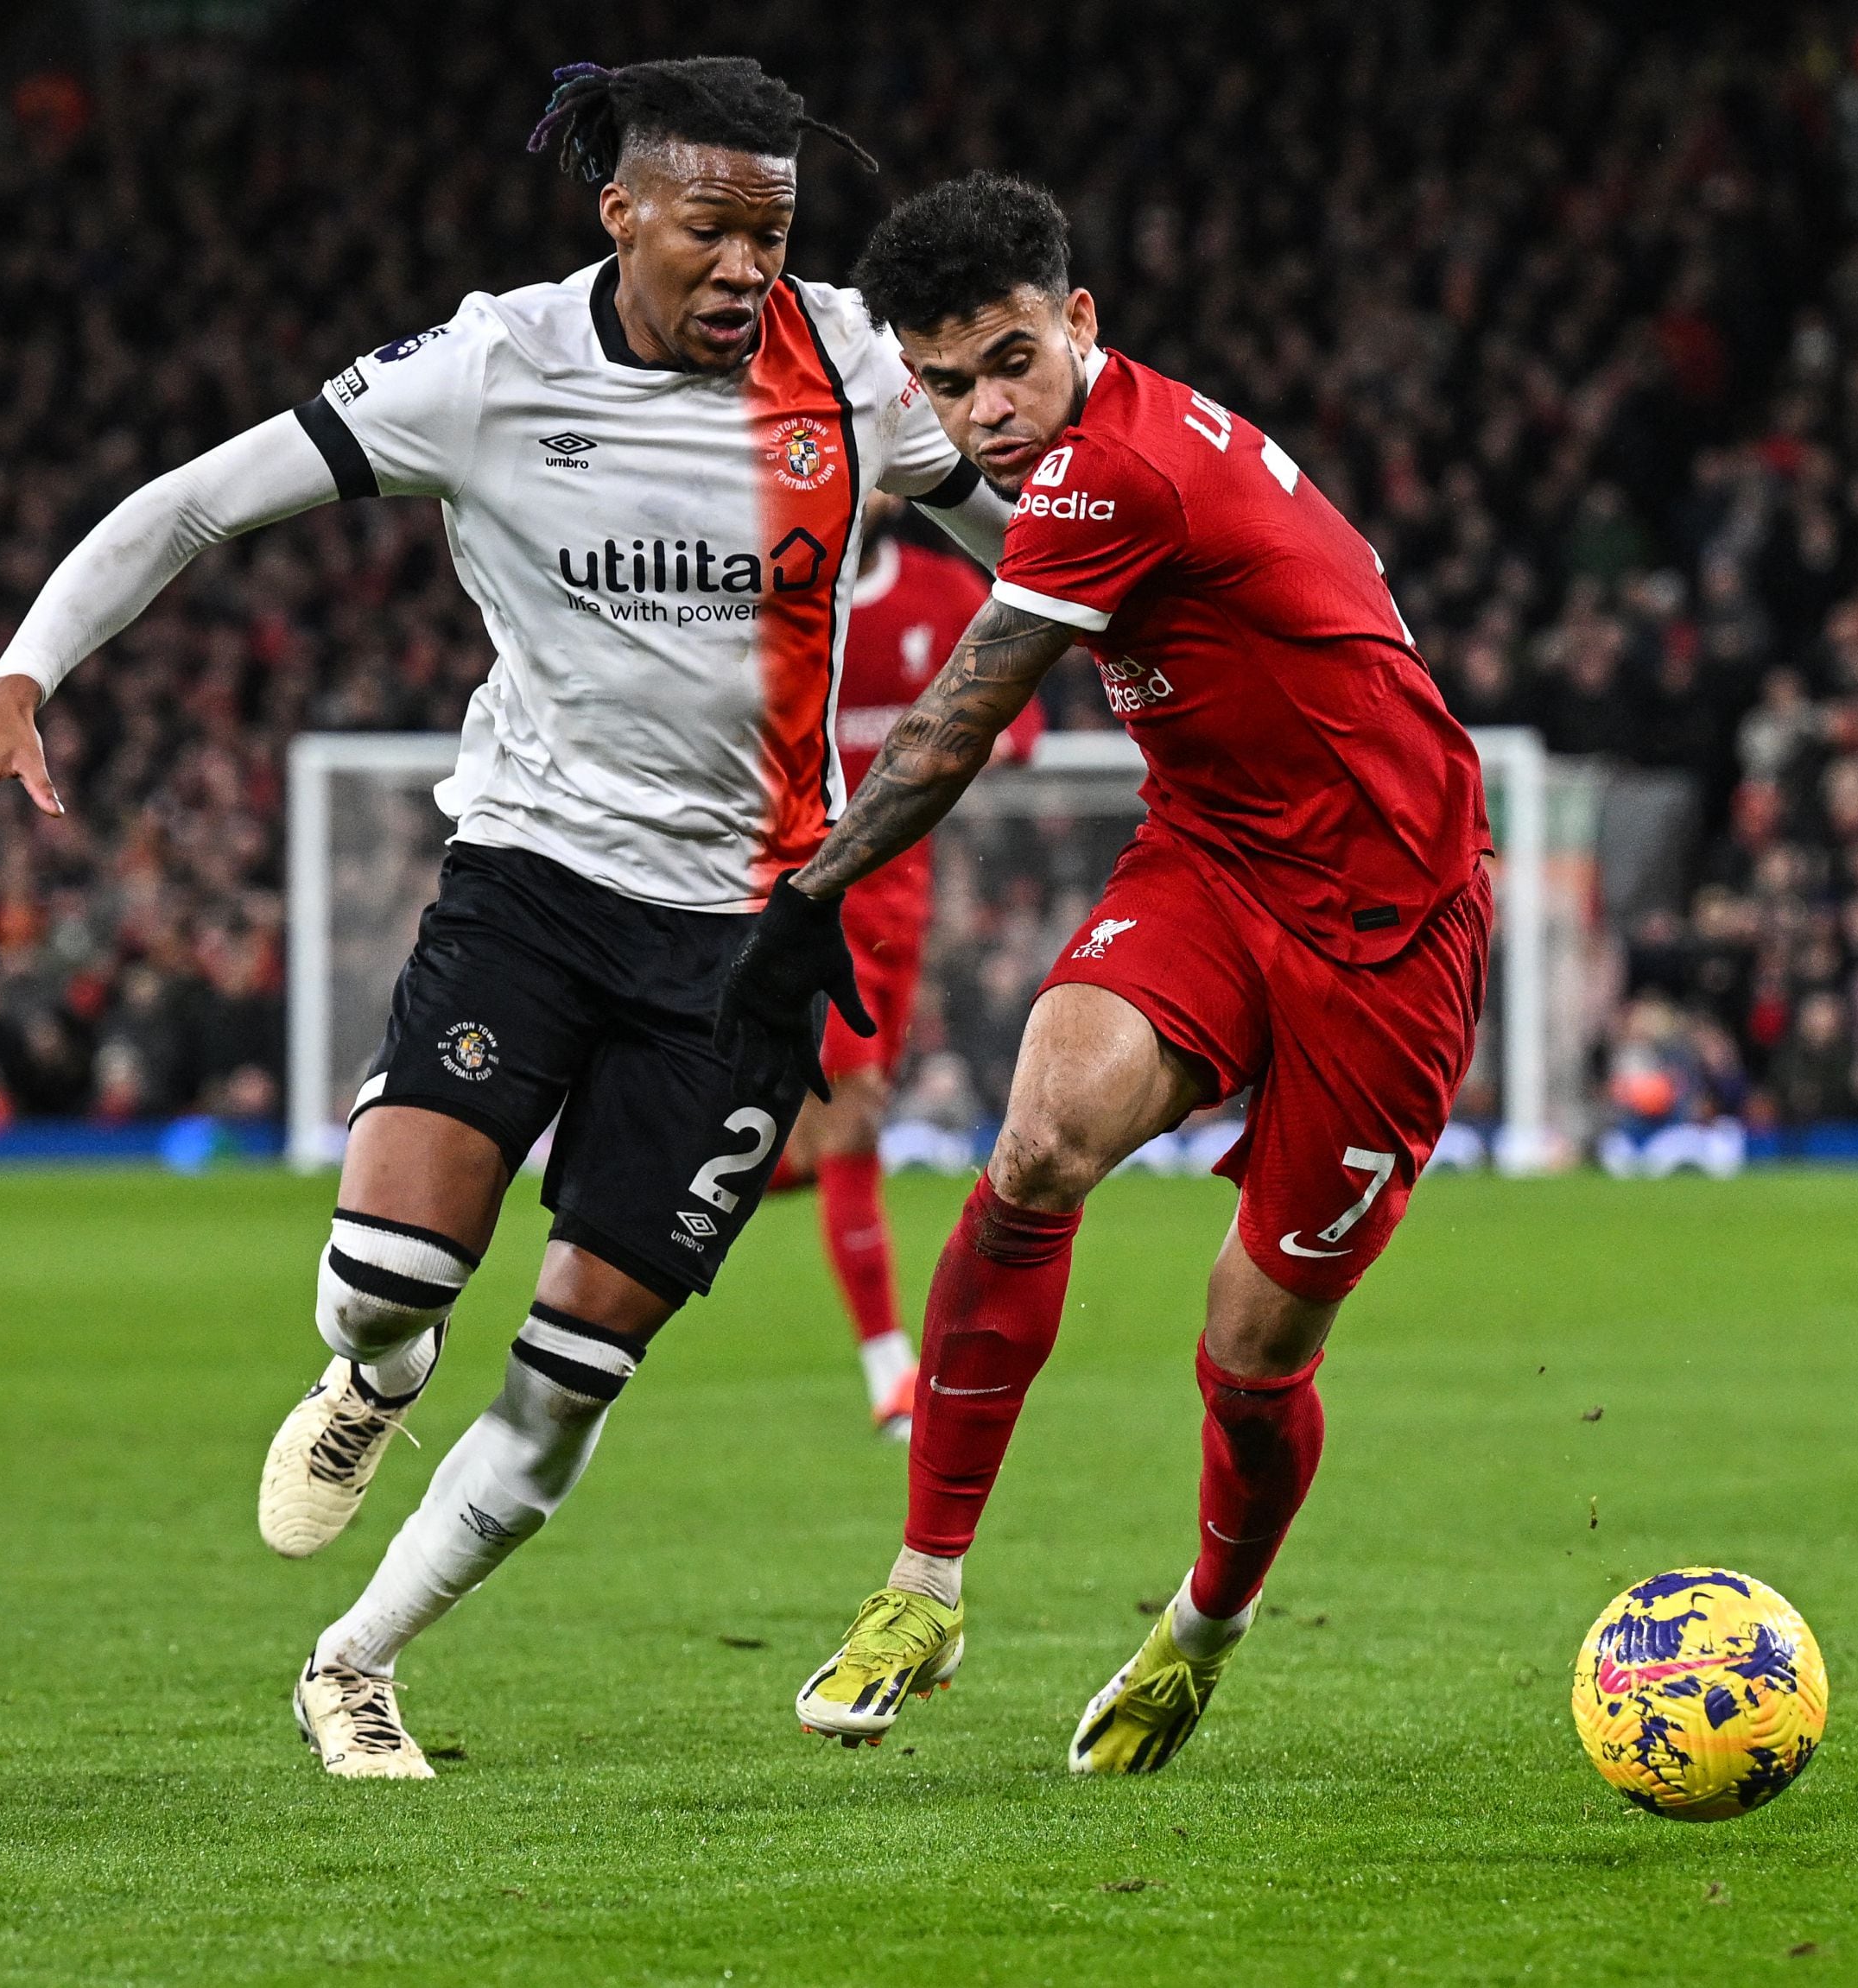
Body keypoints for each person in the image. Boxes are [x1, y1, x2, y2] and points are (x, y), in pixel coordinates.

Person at [0, 59, 1007, 1779]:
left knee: (573, 1375)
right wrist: (17, 679)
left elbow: (1031, 540)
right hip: (533, 886)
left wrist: (1167, 629)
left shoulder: (856, 364)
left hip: (746, 939)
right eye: (711, 229)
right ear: (620, 212)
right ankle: (374, 1375)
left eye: (775, 234)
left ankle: (352, 1663)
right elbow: (195, 500)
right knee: (387, 1278)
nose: (748, 267)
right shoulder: (490, 368)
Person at [708, 173, 1493, 1774]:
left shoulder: (1115, 469)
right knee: (1039, 1143)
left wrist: (806, 901)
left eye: (1011, 363)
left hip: (1390, 923)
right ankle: (922, 1588)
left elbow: (955, 722)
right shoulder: (1074, 456)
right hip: (1213, 854)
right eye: (947, 384)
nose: (985, 412)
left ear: (1079, 322)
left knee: (1251, 1356)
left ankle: (1202, 1626)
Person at [769, 491, 1037, 1440]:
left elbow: (1021, 721)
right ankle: (891, 1371)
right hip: (802, 896)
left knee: (819, 1139)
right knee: (853, 1115)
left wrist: (957, 748)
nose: (876, 486)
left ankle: (672, 1180)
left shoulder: (943, 589)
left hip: (903, 903)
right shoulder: (776, 601)